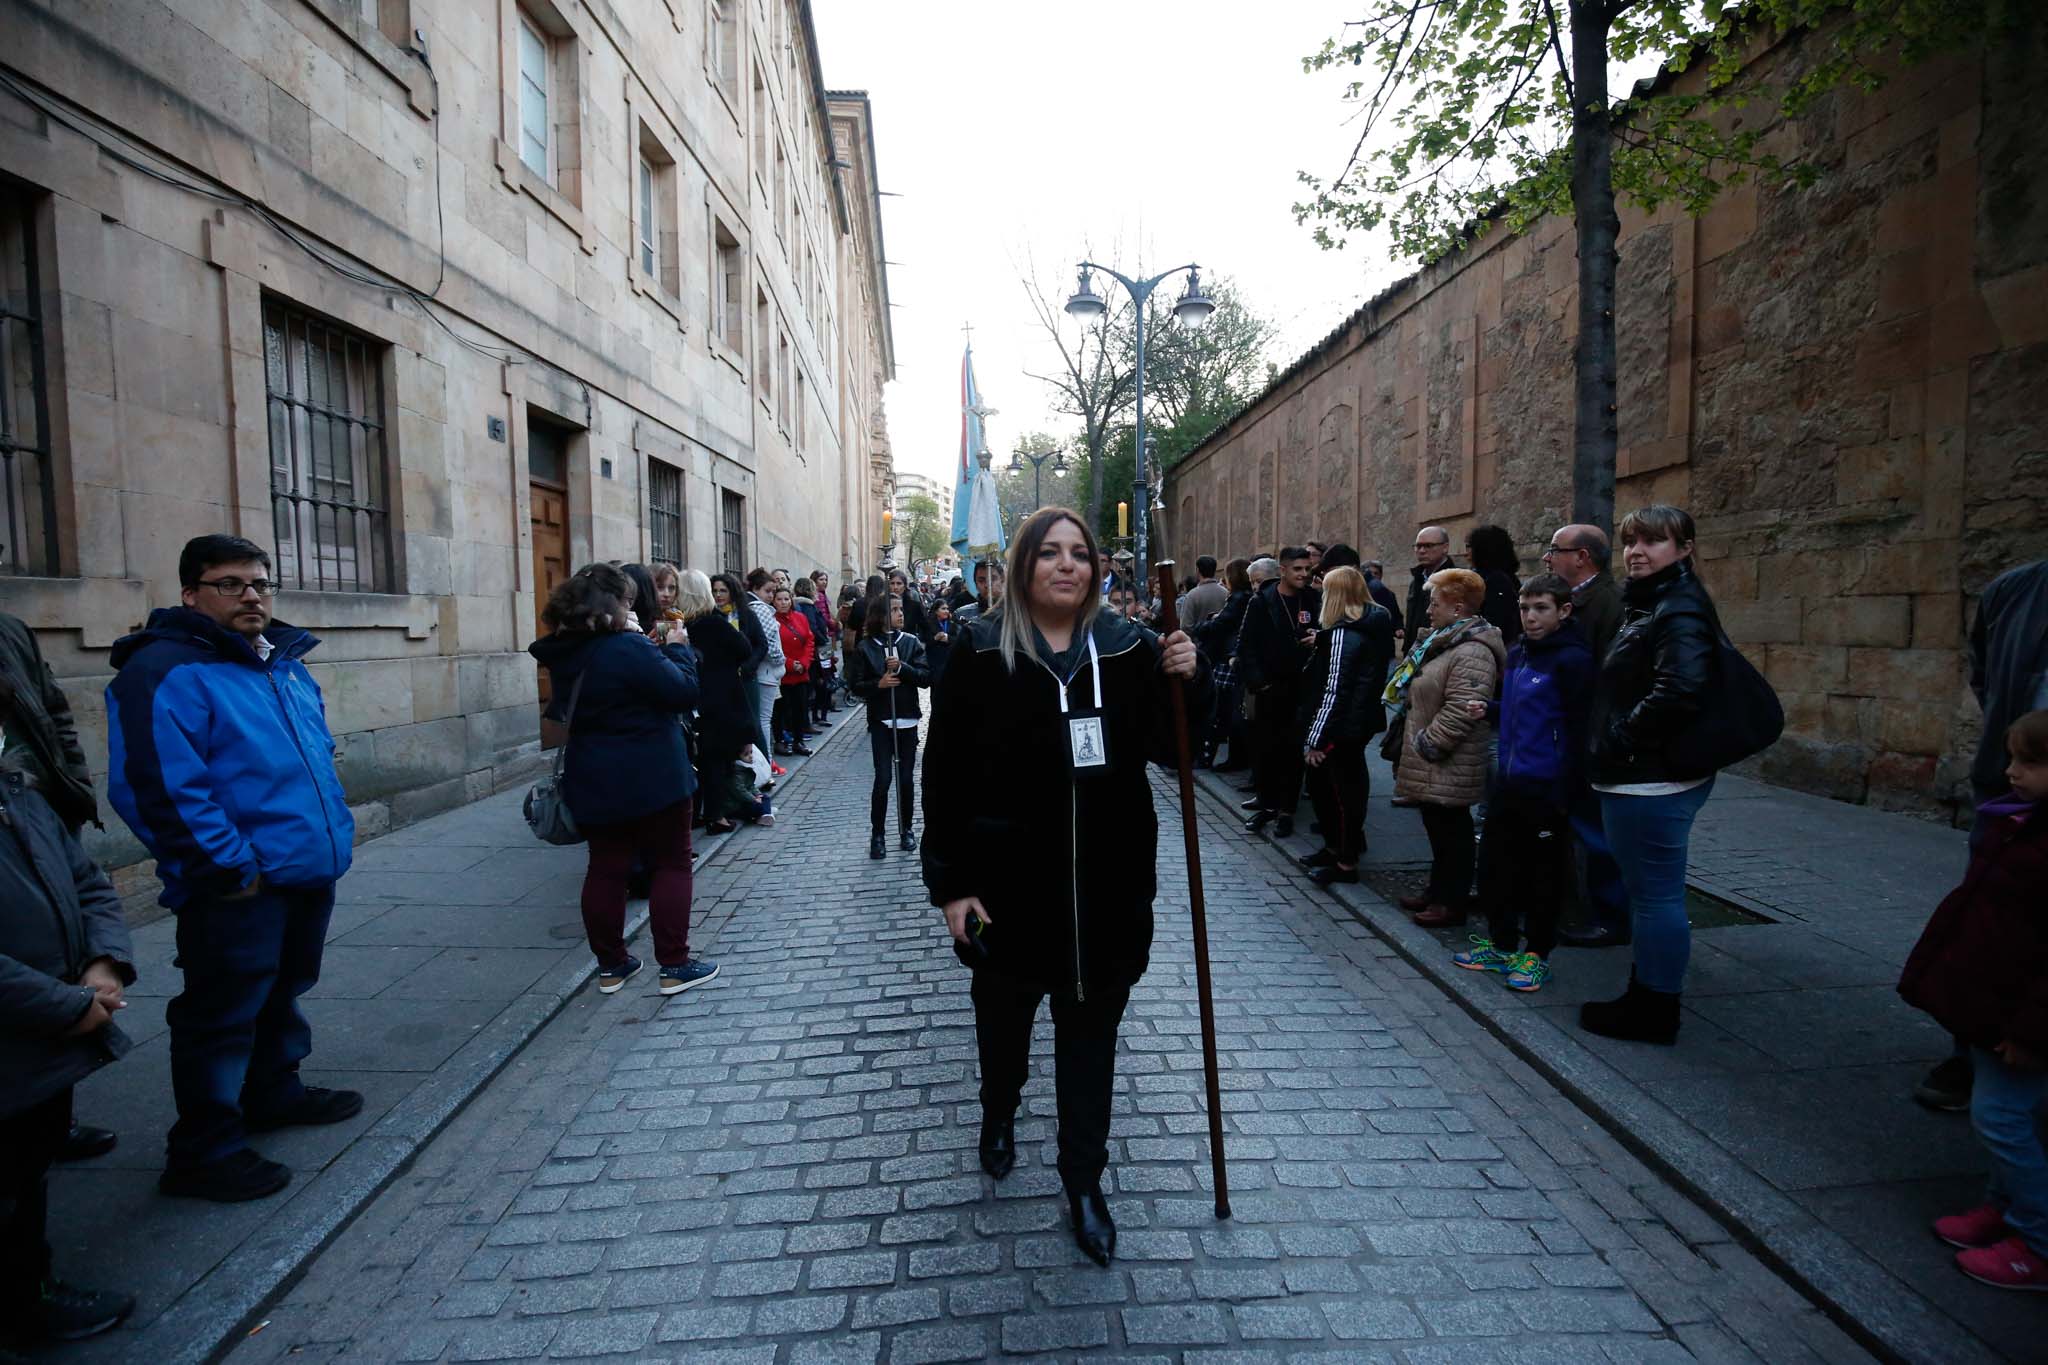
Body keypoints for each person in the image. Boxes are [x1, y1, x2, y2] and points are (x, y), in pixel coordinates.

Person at [920, 506, 1204, 1267]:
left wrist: (1190, 679)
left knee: (1091, 1050)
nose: (1068, 564)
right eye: (1049, 552)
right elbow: (943, 774)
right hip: (1003, 893)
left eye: (1080, 552)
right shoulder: (980, 650)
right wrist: (951, 886)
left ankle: (1083, 1181)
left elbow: (1175, 748)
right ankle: (999, 1111)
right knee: (1002, 1031)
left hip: (1107, 895)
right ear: (1024, 565)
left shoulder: (1131, 647)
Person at [106, 534, 359, 1202]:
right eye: (231, 583)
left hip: (303, 867)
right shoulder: (163, 669)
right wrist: (227, 868)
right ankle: (203, 1150)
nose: (252, 595)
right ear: (190, 593)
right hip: (238, 883)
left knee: (283, 987)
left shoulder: (282, 661)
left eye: (260, 583)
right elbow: (155, 786)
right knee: (220, 1013)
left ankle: (273, 1091)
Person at [0, 703, 137, 1346]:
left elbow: (88, 884)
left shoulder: (21, 794)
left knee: (28, 1162)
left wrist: (103, 962)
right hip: (29, 1019)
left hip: (50, 1026)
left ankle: (29, 1290)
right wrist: (64, 1004)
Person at [1898, 710, 2048, 1289]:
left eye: (2029, 762)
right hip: (1996, 998)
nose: (2012, 772)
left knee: (2002, 1118)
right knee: (2005, 1112)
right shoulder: (2017, 821)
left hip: (2024, 1015)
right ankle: (2005, 1207)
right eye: (2012, 759)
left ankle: (2038, 1237)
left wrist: (2033, 1032)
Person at [530, 563, 717, 998]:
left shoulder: (565, 651)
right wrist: (677, 649)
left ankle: (612, 965)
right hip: (654, 773)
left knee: (606, 868)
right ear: (613, 605)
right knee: (671, 863)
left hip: (593, 774)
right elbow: (683, 692)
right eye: (628, 601)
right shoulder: (627, 647)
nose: (632, 609)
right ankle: (674, 964)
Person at [1580, 504, 1728, 1045]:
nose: (1637, 552)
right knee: (1651, 894)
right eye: (1631, 542)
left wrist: (1619, 739)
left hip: (1650, 779)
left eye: (1653, 542)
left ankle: (1654, 1008)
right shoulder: (1655, 600)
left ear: (1684, 549)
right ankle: (1647, 996)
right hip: (1647, 774)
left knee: (1655, 897)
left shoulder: (1676, 606)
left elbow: (1679, 690)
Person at [1916, 558, 2048, 1112]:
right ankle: (1977, 1050)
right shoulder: (2014, 591)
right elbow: (1989, 676)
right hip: (2013, 803)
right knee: (1994, 928)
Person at [0, 610, 120, 1165]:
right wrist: (67, 1005)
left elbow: (52, 712)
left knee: (51, 936)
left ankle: (50, 1113)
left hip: (32, 808)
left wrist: (103, 963)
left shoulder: (11, 631)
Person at [1450, 574, 1595, 991]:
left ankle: (1537, 954)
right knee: (1496, 866)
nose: (1530, 617)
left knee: (1543, 874)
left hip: (1547, 785)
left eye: (1541, 608)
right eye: (1525, 608)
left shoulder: (1573, 660)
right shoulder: (1518, 652)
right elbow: (1523, 709)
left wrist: (1567, 788)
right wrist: (1491, 709)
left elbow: (1578, 727)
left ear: (1563, 611)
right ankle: (1502, 944)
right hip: (1510, 779)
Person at [1384, 567, 1505, 928]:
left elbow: (1462, 707)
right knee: (1439, 829)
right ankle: (1438, 890)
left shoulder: (1473, 650)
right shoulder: (1444, 640)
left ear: (1458, 608)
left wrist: (1429, 744)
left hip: (1448, 758)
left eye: (1434, 603)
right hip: (1434, 758)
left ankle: (1451, 901)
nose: (1428, 610)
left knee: (1452, 831)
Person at [1538, 523, 1631, 951]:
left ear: (1582, 557)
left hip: (1590, 732)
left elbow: (1610, 675)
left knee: (1597, 830)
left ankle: (1611, 918)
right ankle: (1577, 904)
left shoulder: (1608, 603)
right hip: (1567, 729)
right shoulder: (1574, 599)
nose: (1547, 557)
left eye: (1555, 549)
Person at [1295, 567, 1394, 886]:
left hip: (1342, 727)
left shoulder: (1345, 633)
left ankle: (1345, 860)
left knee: (1339, 795)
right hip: (1356, 722)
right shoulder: (1367, 626)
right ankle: (1337, 849)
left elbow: (1335, 689)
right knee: (1345, 791)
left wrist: (1315, 738)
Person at [1239, 547, 1320, 836]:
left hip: (1302, 688)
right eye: (1297, 569)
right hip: (1270, 688)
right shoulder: (1262, 601)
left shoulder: (1313, 599)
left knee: (1292, 751)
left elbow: (1328, 630)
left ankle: (1287, 811)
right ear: (1283, 570)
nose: (1304, 574)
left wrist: (1319, 638)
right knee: (1266, 750)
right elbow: (1246, 644)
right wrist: (1259, 682)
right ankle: (1267, 806)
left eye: (1307, 569)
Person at [845, 594, 930, 859]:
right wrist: (878, 685)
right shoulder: (866, 647)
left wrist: (903, 668)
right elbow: (856, 685)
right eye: (893, 610)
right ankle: (878, 834)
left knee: (906, 779)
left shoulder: (911, 642)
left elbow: (925, 677)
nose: (900, 614)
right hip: (882, 721)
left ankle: (906, 829)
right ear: (881, 616)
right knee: (883, 779)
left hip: (907, 719)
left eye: (900, 609)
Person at [681, 571, 753, 837]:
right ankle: (716, 815)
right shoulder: (714, 622)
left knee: (700, 757)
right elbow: (744, 649)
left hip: (692, 696)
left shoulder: (679, 624)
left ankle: (699, 814)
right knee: (717, 759)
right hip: (720, 697)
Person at [1194, 557, 1255, 770]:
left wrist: (1205, 624)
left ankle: (1210, 756)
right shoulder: (1243, 597)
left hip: (1227, 659)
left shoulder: (1238, 598)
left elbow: (1220, 624)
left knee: (1222, 710)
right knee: (1228, 710)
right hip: (1231, 657)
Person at [744, 569, 786, 760]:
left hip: (761, 670)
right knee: (763, 719)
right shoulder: (760, 608)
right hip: (766, 671)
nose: (771, 596)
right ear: (755, 588)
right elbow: (769, 642)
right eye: (768, 591)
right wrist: (780, 660)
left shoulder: (749, 606)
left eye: (773, 591)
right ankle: (766, 760)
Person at [771, 586, 815, 757]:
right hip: (782, 673)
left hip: (801, 673)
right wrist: (789, 664)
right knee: (780, 710)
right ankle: (780, 740)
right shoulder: (771, 620)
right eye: (779, 599)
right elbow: (771, 646)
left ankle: (798, 740)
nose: (783, 603)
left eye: (786, 599)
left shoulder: (800, 617)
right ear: (774, 602)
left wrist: (804, 663)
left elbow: (809, 640)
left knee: (800, 708)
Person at [1465, 525, 1523, 647]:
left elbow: (1497, 623)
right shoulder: (1490, 577)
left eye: (1469, 546)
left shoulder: (1496, 581)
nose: (1466, 552)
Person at [1404, 527, 1455, 650]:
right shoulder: (1417, 580)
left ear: (1445, 547)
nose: (1422, 551)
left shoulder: (1454, 580)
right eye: (1418, 546)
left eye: (1428, 546)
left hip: (1440, 651)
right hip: (1415, 652)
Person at [795, 578, 836, 728]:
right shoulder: (807, 607)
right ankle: (817, 717)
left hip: (818, 648)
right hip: (819, 649)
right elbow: (812, 628)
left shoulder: (801, 605)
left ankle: (817, 717)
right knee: (823, 682)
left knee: (820, 683)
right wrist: (824, 641)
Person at [1181, 556, 1227, 630]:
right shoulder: (1226, 593)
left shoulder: (1191, 596)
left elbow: (1185, 626)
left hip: (1198, 637)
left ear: (1198, 570)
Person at [889, 568, 934, 644]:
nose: (895, 587)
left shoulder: (915, 606)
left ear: (904, 586)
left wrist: (919, 642)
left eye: (899, 583)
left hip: (908, 645)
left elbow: (927, 627)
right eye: (892, 583)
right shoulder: (882, 605)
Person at [927, 598, 957, 680]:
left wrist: (948, 638)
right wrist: (935, 638)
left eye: (947, 609)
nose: (946, 611)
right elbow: (925, 643)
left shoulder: (952, 623)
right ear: (936, 611)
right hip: (935, 662)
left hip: (950, 660)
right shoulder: (928, 624)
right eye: (943, 609)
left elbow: (957, 640)